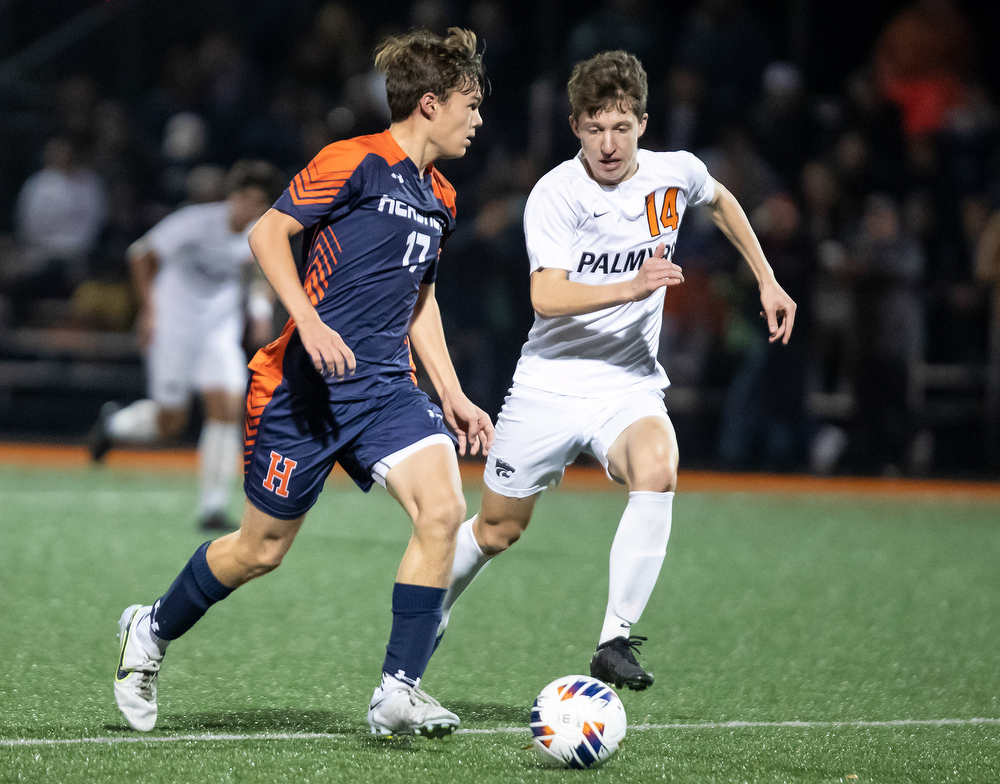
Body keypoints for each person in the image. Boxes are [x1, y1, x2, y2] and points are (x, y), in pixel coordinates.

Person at [113, 27, 492, 739]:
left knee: (442, 511)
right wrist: (309, 323)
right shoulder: (352, 160)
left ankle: (397, 693)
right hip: (306, 392)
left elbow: (422, 301)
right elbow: (266, 234)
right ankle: (151, 628)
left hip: (384, 388)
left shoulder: (440, 194)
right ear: (432, 104)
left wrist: (451, 390)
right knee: (261, 549)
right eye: (471, 105)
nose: (479, 121)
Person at [436, 50, 796, 690]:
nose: (609, 143)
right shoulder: (555, 193)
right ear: (575, 126)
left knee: (658, 465)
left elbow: (721, 201)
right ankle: (425, 612)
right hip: (551, 380)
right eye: (596, 128)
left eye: (622, 127)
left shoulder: (674, 173)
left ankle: (614, 638)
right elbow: (546, 296)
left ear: (643, 124)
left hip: (627, 381)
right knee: (497, 529)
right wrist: (632, 287)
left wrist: (767, 279)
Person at [89, 159, 287, 532]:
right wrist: (148, 312)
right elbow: (140, 254)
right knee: (170, 423)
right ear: (233, 196)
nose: (251, 208)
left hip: (218, 333)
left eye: (260, 202)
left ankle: (212, 507)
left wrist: (260, 312)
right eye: (246, 198)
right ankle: (113, 424)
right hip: (174, 328)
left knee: (228, 406)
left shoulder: (261, 232)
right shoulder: (195, 222)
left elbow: (261, 274)